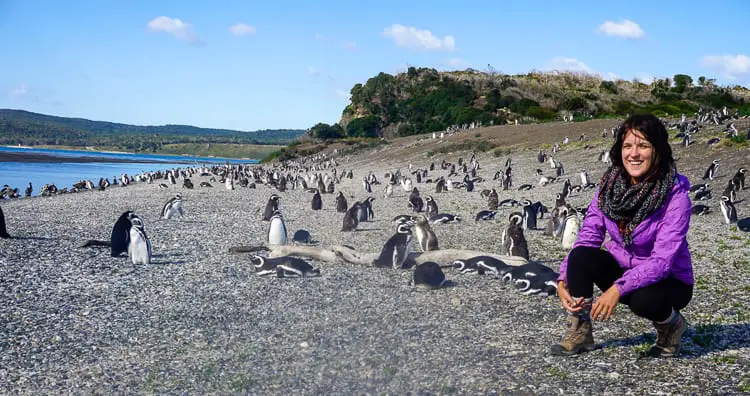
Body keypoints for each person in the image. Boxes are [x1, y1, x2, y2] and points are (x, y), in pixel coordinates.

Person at [551, 113, 694, 357]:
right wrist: (563, 280)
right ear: (619, 150)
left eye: (644, 145)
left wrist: (616, 289)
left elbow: (660, 262)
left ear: (658, 151)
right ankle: (580, 330)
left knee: (643, 300)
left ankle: (672, 326)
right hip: (626, 269)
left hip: (670, 280)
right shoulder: (608, 190)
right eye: (627, 145)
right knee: (581, 256)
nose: (634, 154)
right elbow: (587, 237)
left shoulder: (675, 197)